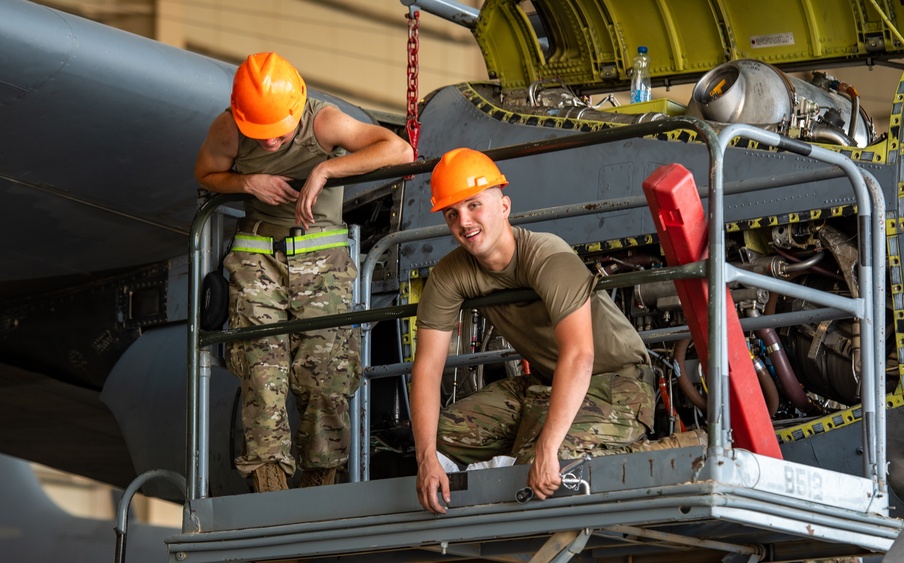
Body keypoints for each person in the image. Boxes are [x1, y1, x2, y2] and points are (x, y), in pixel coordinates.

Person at [194, 52, 413, 492]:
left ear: (296, 109)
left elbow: (400, 149)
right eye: (260, 134)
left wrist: (326, 169)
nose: (270, 143)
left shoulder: (324, 121)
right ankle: (269, 488)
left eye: (277, 132)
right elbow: (205, 173)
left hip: (323, 261)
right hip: (258, 256)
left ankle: (321, 483)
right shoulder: (228, 128)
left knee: (325, 374)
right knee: (261, 370)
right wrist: (245, 182)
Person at [410, 148, 656, 514]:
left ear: (504, 206)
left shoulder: (547, 255)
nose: (464, 221)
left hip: (619, 383)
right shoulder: (450, 273)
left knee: (536, 463)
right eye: (452, 213)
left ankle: (647, 448)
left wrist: (547, 448)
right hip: (547, 383)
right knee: (441, 435)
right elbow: (427, 369)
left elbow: (580, 354)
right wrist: (427, 458)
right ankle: (536, 439)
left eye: (474, 205)